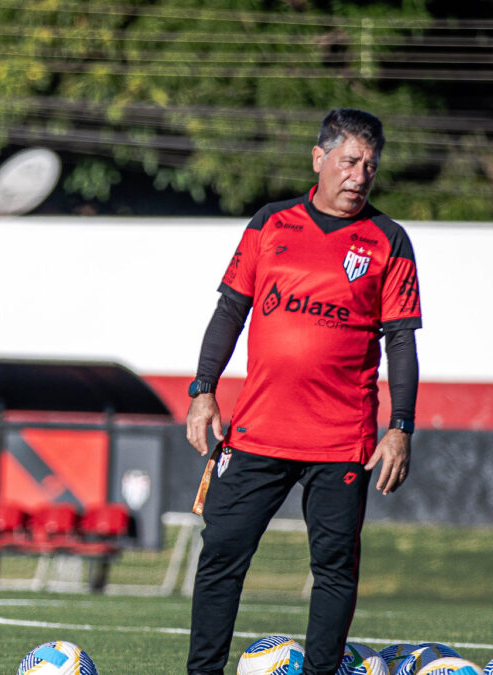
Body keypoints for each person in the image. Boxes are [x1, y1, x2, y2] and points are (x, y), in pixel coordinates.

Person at [184, 108, 421, 675]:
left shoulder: (389, 240)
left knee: (335, 568)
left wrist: (400, 427)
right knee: (220, 558)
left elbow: (402, 344)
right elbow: (229, 312)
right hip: (257, 431)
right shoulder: (270, 223)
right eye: (349, 161)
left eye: (370, 165)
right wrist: (202, 390)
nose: (359, 175)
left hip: (342, 439)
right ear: (319, 160)